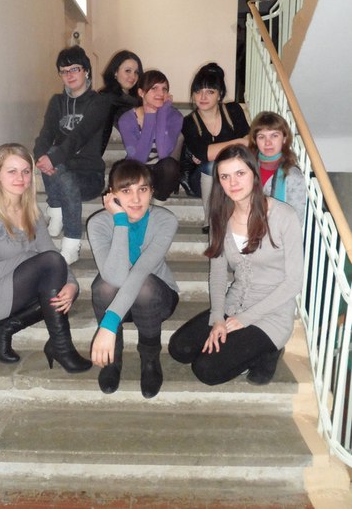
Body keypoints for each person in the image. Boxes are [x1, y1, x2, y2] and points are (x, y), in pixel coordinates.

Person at [168, 144, 303, 386]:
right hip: (234, 304)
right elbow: (218, 273)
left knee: (206, 370)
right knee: (179, 349)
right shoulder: (220, 217)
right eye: (225, 176)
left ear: (254, 173)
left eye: (240, 173)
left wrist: (244, 319)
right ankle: (242, 342)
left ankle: (270, 350)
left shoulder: (284, 216)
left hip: (272, 312)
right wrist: (218, 318)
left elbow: (294, 282)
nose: (233, 183)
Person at [0, 143, 91, 374]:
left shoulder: (33, 213)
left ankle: (4, 329)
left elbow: (51, 254)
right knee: (50, 265)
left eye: (25, 171)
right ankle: (62, 347)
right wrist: (27, 257)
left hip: (17, 289)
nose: (20, 178)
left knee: (63, 290)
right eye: (11, 171)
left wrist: (72, 284)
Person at [87, 159, 179, 398]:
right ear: (112, 195)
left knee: (144, 286)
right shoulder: (98, 224)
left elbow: (140, 272)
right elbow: (115, 277)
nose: (136, 199)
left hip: (156, 299)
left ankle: (150, 359)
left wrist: (107, 323)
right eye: (126, 191)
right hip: (119, 300)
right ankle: (112, 359)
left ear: (152, 192)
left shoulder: (166, 220)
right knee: (103, 287)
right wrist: (120, 221)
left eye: (143, 189)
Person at [33, 45, 109, 264]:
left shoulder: (99, 102)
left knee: (60, 165)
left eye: (74, 69)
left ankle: (72, 243)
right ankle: (56, 208)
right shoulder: (57, 102)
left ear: (86, 71)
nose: (69, 75)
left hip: (89, 177)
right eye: (64, 71)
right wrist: (40, 158)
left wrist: (52, 159)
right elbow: (46, 134)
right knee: (49, 153)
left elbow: (80, 136)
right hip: (61, 171)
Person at [182, 63, 250, 232]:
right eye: (198, 91)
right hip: (201, 180)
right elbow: (204, 155)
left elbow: (249, 143)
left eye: (210, 92)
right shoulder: (189, 122)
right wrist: (238, 142)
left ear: (220, 95)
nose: (203, 97)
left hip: (231, 176)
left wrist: (215, 150)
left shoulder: (233, 110)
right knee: (211, 165)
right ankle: (210, 219)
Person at [118, 70, 183, 201]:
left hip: (161, 173)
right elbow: (138, 159)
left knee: (170, 166)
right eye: (154, 88)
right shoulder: (127, 119)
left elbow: (164, 153)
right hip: (137, 169)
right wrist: (149, 118)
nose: (161, 93)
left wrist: (162, 113)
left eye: (164, 89)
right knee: (124, 171)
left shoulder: (175, 117)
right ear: (141, 92)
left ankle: (158, 202)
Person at [249, 111, 306, 226]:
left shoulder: (293, 175)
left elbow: (295, 221)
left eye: (274, 136)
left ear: (284, 138)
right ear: (255, 140)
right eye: (261, 137)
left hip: (279, 234)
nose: (268, 142)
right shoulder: (245, 169)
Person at [99, 50, 143, 154]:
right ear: (115, 72)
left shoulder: (137, 100)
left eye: (136, 72)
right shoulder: (107, 99)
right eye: (128, 71)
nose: (133, 76)